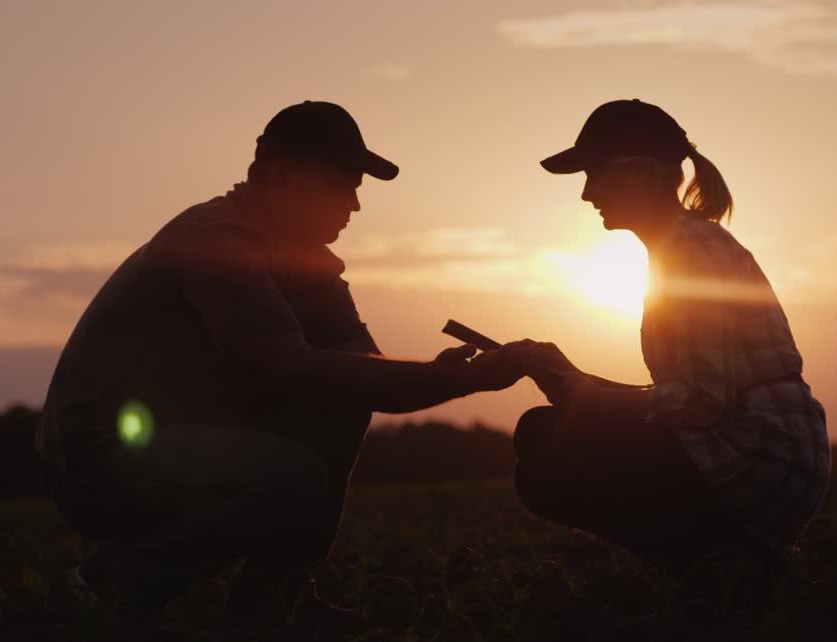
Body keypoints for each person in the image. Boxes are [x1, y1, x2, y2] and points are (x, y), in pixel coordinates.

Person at [35, 101, 522, 612]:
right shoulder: (216, 239)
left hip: (177, 440)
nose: (355, 205)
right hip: (95, 462)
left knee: (341, 406)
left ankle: (274, 598)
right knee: (293, 477)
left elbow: (366, 375)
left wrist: (441, 376)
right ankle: (112, 583)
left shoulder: (309, 264)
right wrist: (457, 380)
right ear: (279, 176)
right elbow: (284, 364)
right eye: (341, 183)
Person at [505, 99, 830, 576]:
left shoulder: (690, 253)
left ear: (643, 174)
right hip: (760, 450)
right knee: (545, 434)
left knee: (546, 445)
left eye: (595, 174)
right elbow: (692, 394)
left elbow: (701, 403)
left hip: (761, 457)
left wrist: (590, 398)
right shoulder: (679, 248)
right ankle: (718, 567)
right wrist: (572, 378)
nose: (587, 194)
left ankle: (725, 567)